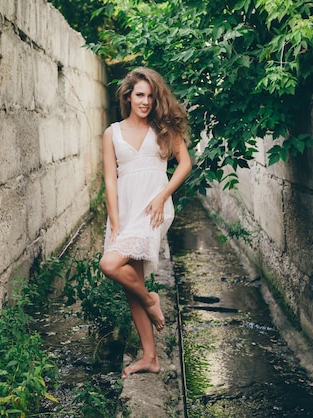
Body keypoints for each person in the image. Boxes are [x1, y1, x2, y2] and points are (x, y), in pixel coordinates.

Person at [99, 67, 191, 378]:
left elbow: (185, 164)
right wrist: (115, 222)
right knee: (131, 285)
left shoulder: (162, 127)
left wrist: (163, 195)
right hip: (124, 212)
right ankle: (150, 356)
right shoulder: (112, 133)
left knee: (110, 265)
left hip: (153, 209)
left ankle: (152, 300)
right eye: (140, 95)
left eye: (150, 96)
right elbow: (110, 180)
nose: (145, 101)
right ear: (128, 96)